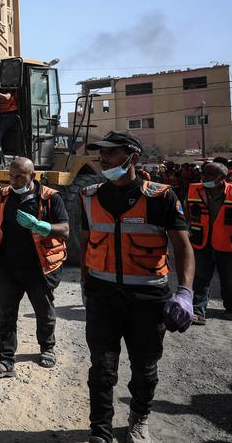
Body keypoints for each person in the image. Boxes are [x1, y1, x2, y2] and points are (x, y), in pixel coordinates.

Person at [79, 131, 194, 443]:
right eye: (102, 152)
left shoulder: (161, 197)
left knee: (144, 369)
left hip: (147, 300)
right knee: (101, 370)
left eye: (112, 152)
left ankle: (138, 419)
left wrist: (185, 292)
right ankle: (100, 431)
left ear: (133, 158)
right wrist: (86, 279)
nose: (104, 158)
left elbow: (183, 248)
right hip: (102, 299)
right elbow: (87, 239)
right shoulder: (89, 196)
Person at [0, 157, 68, 378]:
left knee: (43, 310)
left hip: (39, 267)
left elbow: (65, 229)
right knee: (6, 314)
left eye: (20, 176)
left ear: (33, 175)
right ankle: (6, 360)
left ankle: (47, 347)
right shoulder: (3, 196)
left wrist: (42, 226)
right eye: (11, 175)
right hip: (8, 267)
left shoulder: (49, 198)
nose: (14, 180)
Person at [185, 161, 232, 324]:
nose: (204, 177)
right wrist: (188, 226)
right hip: (201, 242)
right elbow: (185, 211)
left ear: (222, 178)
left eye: (209, 174)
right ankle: (198, 310)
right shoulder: (194, 190)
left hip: (229, 243)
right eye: (203, 173)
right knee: (200, 277)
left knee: (230, 278)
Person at [0, 83, 20, 156]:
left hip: (10, 115)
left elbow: (6, 97)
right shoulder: (0, 89)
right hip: (0, 115)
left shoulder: (12, 88)